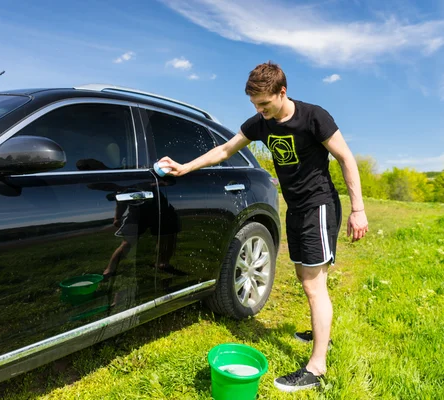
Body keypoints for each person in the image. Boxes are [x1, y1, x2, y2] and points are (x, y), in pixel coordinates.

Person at [158, 61, 369, 392]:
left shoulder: (314, 117)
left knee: (314, 284)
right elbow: (225, 149)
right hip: (296, 209)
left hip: (320, 206)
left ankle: (316, 367)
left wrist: (358, 209)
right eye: (255, 105)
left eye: (264, 104)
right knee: (307, 276)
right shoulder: (261, 122)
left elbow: (346, 158)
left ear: (281, 92)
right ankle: (321, 334)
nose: (260, 111)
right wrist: (186, 168)